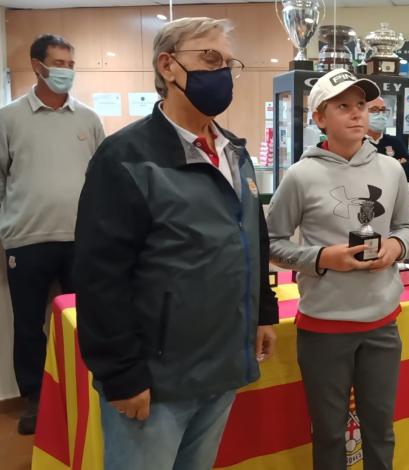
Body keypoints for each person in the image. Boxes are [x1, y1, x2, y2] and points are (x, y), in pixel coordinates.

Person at [73, 18, 278, 469]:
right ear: (168, 66)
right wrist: (121, 374)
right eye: (210, 58)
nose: (222, 73)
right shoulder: (125, 158)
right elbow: (100, 275)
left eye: (228, 64)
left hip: (222, 365)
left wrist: (263, 311)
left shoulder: (234, 152)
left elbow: (252, 236)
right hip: (157, 377)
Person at [267, 69, 409, 470]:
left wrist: (395, 246)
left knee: (380, 428)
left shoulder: (391, 170)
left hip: (382, 324)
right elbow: (273, 242)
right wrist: (321, 258)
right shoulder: (301, 176)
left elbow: (406, 226)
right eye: (343, 106)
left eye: (362, 105)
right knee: (330, 432)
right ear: (319, 118)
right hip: (324, 326)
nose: (356, 114)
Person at [0, 34, 105, 435]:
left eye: (71, 64)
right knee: (29, 325)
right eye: (58, 63)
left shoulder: (88, 119)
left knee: (87, 320)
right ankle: (36, 399)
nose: (66, 71)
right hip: (27, 240)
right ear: (38, 66)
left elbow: (102, 176)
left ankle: (89, 390)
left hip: (81, 240)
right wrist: (10, 220)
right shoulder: (9, 117)